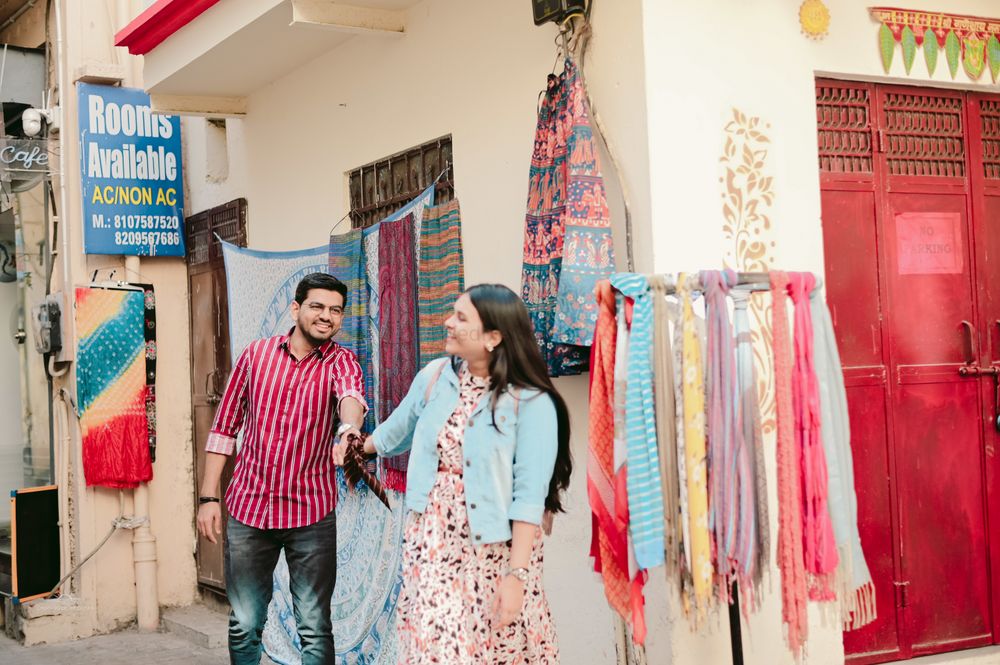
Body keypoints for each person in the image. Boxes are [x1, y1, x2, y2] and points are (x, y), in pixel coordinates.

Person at [335, 283, 571, 663]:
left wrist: (517, 577)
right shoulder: (434, 377)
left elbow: (528, 497)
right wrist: (354, 447)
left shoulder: (531, 402)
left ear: (494, 337)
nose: (448, 322)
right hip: (431, 542)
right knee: (436, 649)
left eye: (461, 318)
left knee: (496, 648)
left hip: (492, 550)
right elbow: (395, 431)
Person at [197, 272, 366, 665]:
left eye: (335, 310)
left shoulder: (342, 362)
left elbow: (351, 397)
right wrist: (208, 497)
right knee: (244, 622)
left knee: (314, 625)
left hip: (311, 514)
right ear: (296, 309)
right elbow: (224, 428)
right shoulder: (255, 356)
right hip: (249, 510)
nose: (326, 316)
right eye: (318, 307)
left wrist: (350, 430)